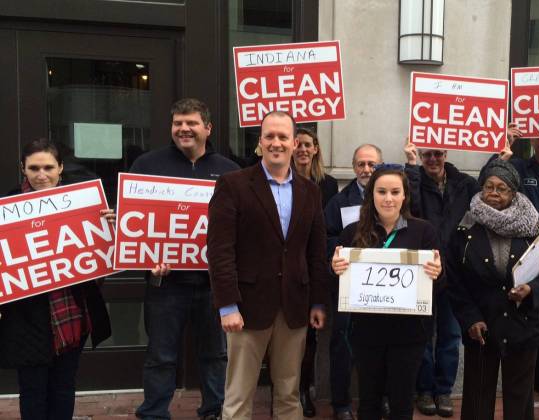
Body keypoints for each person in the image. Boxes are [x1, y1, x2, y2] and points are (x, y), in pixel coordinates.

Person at [207, 110, 329, 420]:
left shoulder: (310, 192)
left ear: (294, 143)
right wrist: (227, 305)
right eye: (270, 136)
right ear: (260, 141)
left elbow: (316, 251)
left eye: (283, 137)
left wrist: (318, 300)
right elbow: (220, 250)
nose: (276, 143)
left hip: (295, 306)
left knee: (289, 393)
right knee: (238, 396)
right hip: (246, 307)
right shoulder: (232, 184)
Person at [132, 98, 239, 420]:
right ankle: (153, 413)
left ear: (207, 128)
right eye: (178, 123)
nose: (184, 129)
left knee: (215, 355)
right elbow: (135, 224)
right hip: (166, 283)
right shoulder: (147, 166)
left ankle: (214, 411)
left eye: (191, 123)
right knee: (161, 356)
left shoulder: (230, 172)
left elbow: (241, 225)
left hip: (213, 284)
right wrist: (144, 256)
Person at [0, 139, 112, 420]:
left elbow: (102, 261)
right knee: (33, 391)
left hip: (71, 314)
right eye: (34, 167)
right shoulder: (7, 208)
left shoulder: (84, 204)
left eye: (48, 167)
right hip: (27, 319)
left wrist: (110, 228)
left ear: (60, 168)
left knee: (64, 387)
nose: (41, 174)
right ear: (22, 169)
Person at [447, 159, 539, 420]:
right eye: (488, 187)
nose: (494, 194)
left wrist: (531, 289)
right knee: (477, 398)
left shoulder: (533, 228)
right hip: (482, 327)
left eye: (502, 189)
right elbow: (455, 281)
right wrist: (470, 318)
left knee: (519, 400)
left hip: (523, 324)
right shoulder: (465, 227)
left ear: (514, 193)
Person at [331, 166, 443, 420]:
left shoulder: (424, 232)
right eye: (381, 192)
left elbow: (440, 284)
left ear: (405, 196)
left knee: (402, 404)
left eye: (395, 192)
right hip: (366, 333)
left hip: (410, 334)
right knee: (368, 402)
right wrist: (334, 268)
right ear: (371, 195)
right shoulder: (353, 232)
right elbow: (338, 283)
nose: (388, 198)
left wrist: (438, 272)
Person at [403, 142, 479, 417]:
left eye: (438, 153)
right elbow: (408, 210)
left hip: (455, 272)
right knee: (422, 335)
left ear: (446, 155)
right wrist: (411, 167)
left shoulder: (464, 183)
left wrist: (499, 157)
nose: (433, 159)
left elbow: (485, 202)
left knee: (450, 334)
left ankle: (443, 390)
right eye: (427, 155)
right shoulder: (414, 179)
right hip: (422, 271)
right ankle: (424, 389)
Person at [495, 132, 539, 402]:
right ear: (532, 142)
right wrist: (505, 148)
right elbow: (493, 177)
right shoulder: (521, 168)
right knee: (535, 314)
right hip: (528, 248)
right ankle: (538, 378)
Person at [323, 143, 383, 420]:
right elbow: (326, 238)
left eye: (372, 164)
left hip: (383, 288)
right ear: (353, 166)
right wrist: (352, 242)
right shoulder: (339, 201)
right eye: (361, 164)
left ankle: (379, 398)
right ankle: (341, 404)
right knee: (343, 344)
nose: (366, 169)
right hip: (348, 286)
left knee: (380, 345)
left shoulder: (391, 198)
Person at [292, 126, 338, 417]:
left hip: (312, 265)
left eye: (307, 144)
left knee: (309, 337)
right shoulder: (280, 180)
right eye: (297, 144)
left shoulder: (328, 185)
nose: (302, 150)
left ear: (316, 148)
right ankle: (284, 392)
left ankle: (303, 389)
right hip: (285, 264)